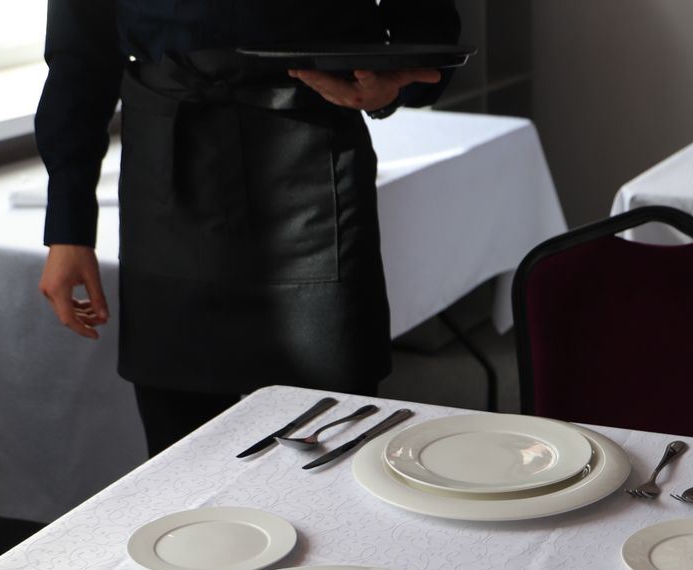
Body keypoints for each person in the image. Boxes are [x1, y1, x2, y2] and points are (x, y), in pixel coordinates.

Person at [35, 1, 461, 456]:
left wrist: (393, 86)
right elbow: (80, 52)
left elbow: (426, 20)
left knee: (331, 436)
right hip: (169, 168)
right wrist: (69, 225)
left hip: (312, 154)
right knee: (182, 452)